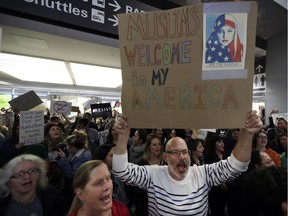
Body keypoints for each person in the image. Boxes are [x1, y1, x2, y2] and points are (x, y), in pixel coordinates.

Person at [112, 110, 262, 215]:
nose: (182, 157)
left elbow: (236, 166)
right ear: (165, 157)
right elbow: (121, 171)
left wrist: (247, 134)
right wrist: (124, 136)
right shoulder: (153, 175)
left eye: (185, 152)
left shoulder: (202, 174)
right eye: (175, 153)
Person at [0, 154, 68, 216]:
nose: (27, 177)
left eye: (32, 171)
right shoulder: (2, 203)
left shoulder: (53, 195)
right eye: (19, 174)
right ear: (8, 181)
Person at [204, 134, 228, 216]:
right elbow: (210, 173)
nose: (222, 144)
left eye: (223, 142)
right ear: (214, 144)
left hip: (226, 188)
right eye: (219, 142)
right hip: (215, 189)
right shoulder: (209, 157)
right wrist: (222, 184)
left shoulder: (224, 155)